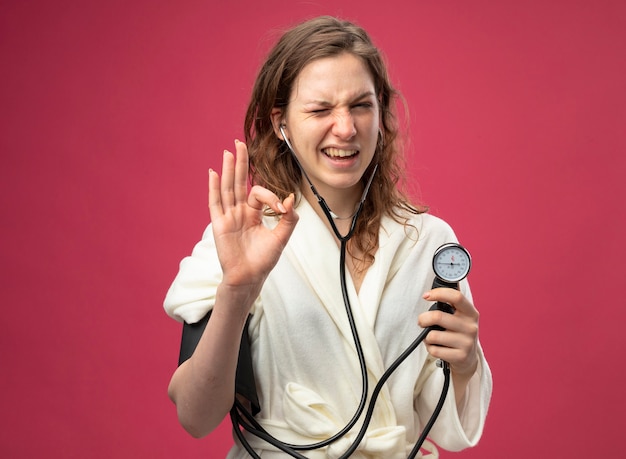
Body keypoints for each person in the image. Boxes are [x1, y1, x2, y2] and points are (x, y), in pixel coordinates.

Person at [164, 15, 492, 459]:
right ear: (281, 124)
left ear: (381, 112)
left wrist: (467, 361)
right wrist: (236, 291)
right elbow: (196, 417)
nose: (345, 128)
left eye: (361, 105)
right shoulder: (241, 242)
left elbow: (451, 429)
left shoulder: (430, 243)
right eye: (320, 110)